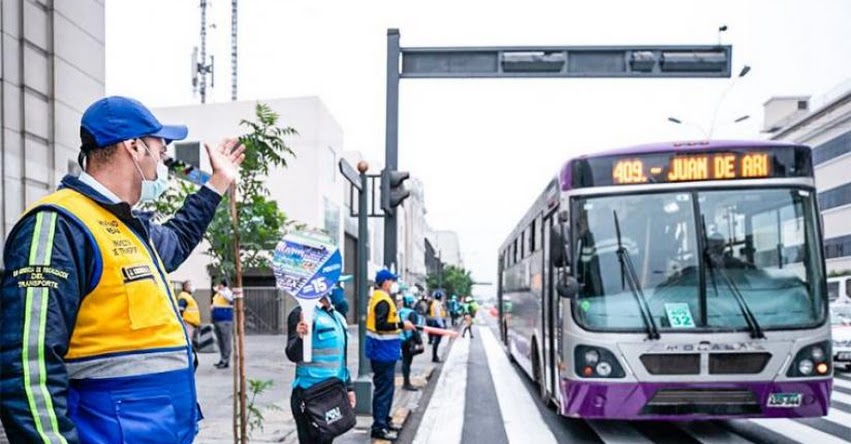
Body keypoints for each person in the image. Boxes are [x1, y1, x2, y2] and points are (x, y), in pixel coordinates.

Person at [0, 95, 245, 443]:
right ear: (133, 146)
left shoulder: (129, 226)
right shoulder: (59, 225)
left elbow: (178, 238)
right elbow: (27, 365)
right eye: (159, 140)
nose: (165, 149)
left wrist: (218, 181)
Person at [286, 290, 354, 443]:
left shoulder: (337, 317)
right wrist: (300, 338)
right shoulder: (300, 314)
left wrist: (348, 388)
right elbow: (292, 354)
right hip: (310, 395)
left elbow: (342, 357)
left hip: (333, 393)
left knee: (327, 440)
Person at [366, 270, 414, 441]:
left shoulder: (381, 298)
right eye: (392, 281)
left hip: (384, 352)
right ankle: (379, 427)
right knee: (384, 391)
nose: (394, 284)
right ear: (385, 282)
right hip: (382, 352)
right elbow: (381, 325)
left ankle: (384, 421)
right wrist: (402, 324)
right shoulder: (382, 300)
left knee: (387, 389)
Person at [398, 294, 423, 391]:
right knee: (407, 362)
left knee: (405, 360)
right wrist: (419, 342)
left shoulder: (400, 312)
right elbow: (414, 329)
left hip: (401, 338)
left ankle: (406, 382)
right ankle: (406, 383)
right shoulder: (412, 313)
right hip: (409, 339)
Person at [212, 278, 235, 369]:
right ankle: (222, 359)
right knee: (220, 341)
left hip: (225, 320)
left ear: (222, 285)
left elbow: (230, 299)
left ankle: (226, 360)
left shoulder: (227, 292)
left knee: (226, 341)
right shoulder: (218, 294)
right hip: (217, 319)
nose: (217, 286)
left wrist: (221, 292)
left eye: (219, 284)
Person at [428, 290, 448, 363]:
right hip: (437, 323)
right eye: (442, 297)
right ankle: (434, 357)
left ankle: (435, 356)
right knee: (437, 341)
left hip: (436, 322)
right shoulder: (437, 304)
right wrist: (442, 325)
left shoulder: (435, 303)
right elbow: (438, 316)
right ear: (440, 297)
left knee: (436, 341)